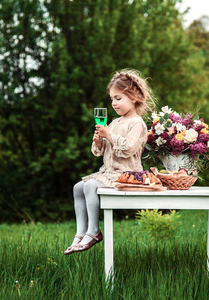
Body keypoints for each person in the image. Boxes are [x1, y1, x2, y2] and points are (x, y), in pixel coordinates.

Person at [64, 69, 156, 255]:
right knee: (77, 188)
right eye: (112, 99)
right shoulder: (114, 123)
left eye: (118, 98)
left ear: (134, 97)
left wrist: (110, 136)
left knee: (89, 186)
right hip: (110, 173)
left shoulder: (137, 123)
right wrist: (99, 140)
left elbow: (128, 148)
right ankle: (81, 232)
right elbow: (100, 152)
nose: (113, 103)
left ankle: (94, 231)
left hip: (128, 174)